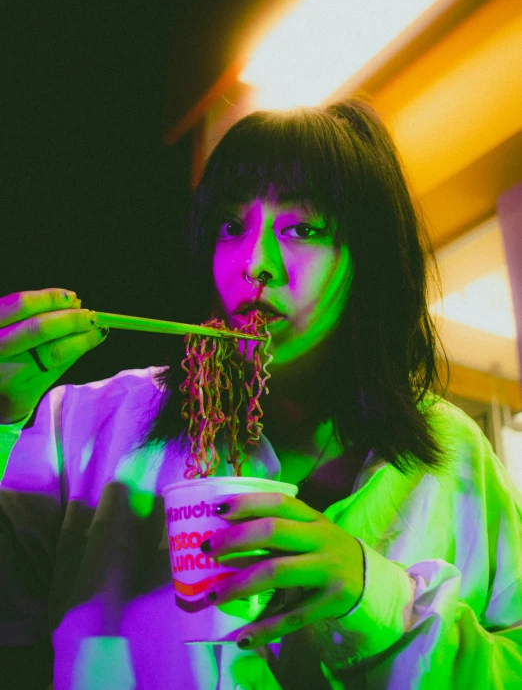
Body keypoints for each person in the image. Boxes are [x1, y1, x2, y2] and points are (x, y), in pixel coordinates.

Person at [0, 99, 521, 689]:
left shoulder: (456, 459)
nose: (255, 263)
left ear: (369, 259)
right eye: (231, 226)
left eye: (301, 228)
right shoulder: (87, 426)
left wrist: (371, 598)